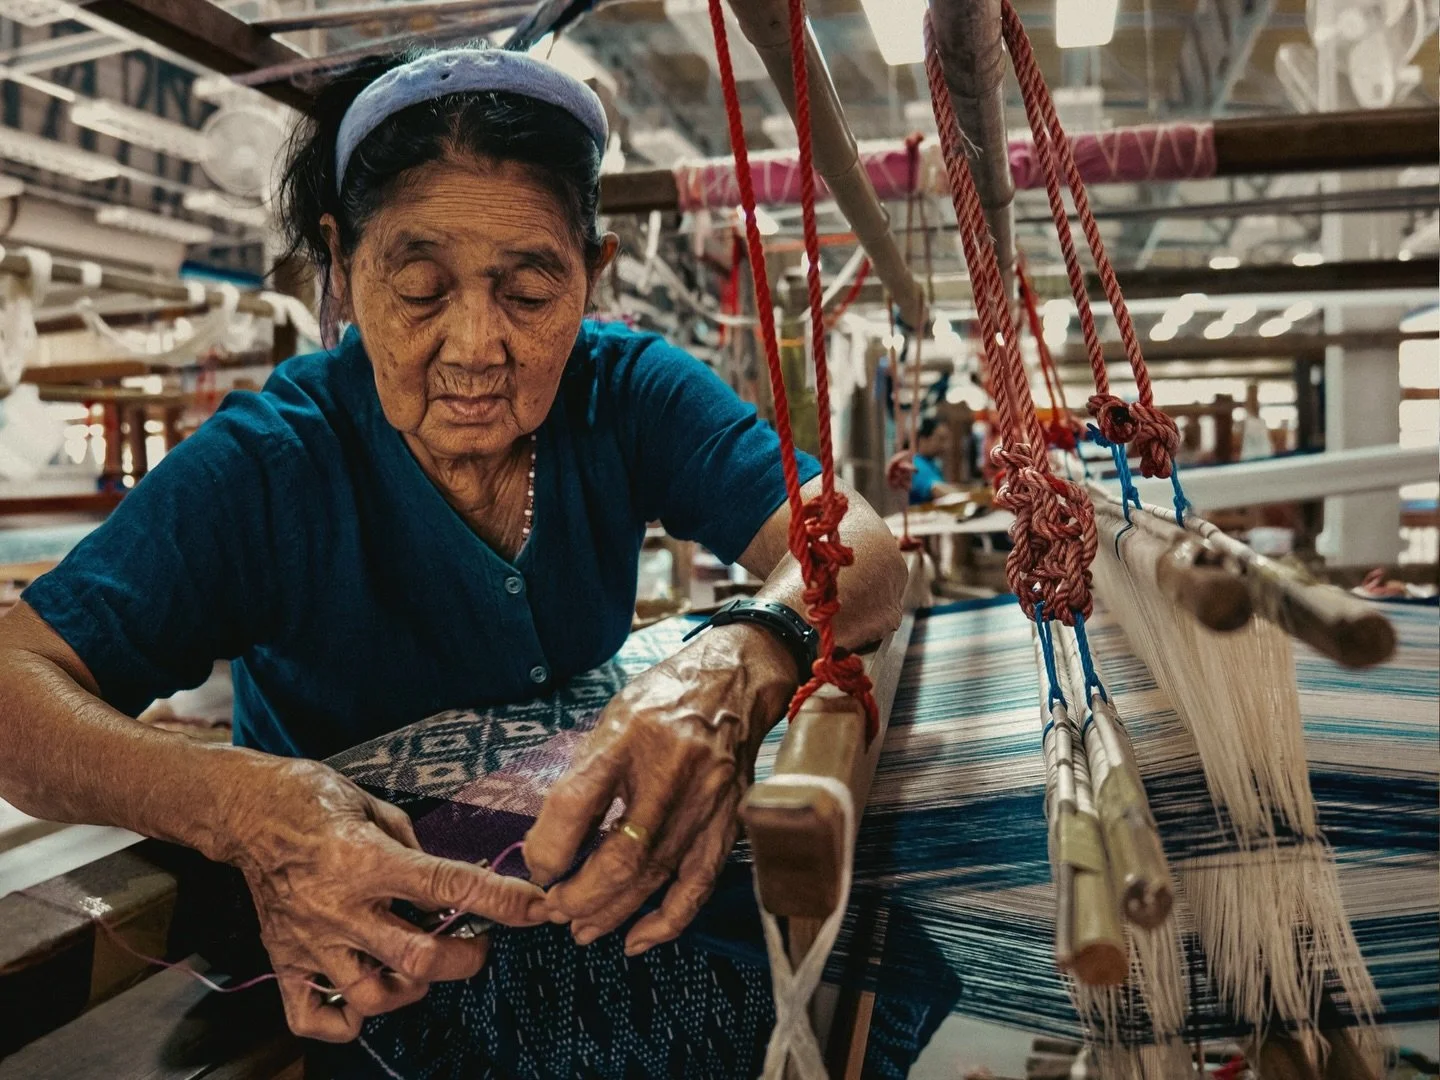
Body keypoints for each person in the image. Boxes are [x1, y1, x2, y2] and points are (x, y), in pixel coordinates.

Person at [0, 47, 910, 1077]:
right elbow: (12, 692)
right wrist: (243, 809)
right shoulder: (272, 465)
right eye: (421, 288)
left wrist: (742, 659)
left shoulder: (624, 393)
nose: (476, 345)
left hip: (598, 920)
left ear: (592, 275)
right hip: (385, 983)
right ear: (341, 269)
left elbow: (861, 546)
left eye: (529, 291)